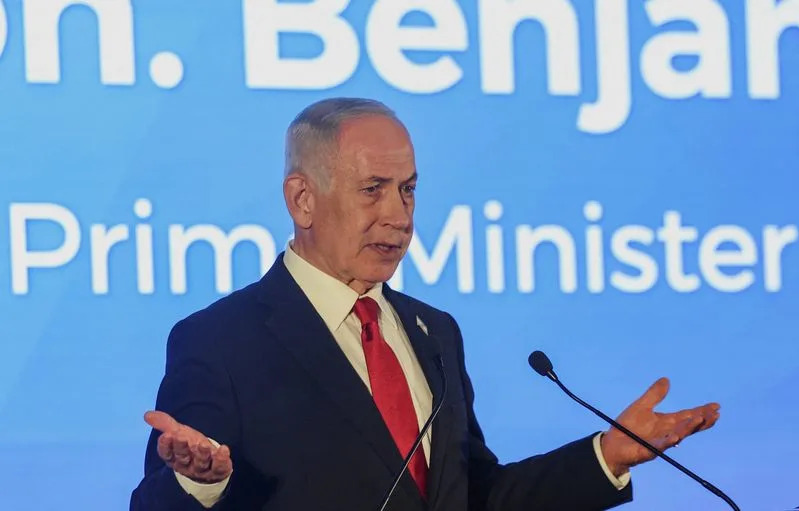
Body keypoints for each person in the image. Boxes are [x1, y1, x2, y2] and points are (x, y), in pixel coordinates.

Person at [130, 98, 721, 510]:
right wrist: (198, 484)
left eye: (408, 189)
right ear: (303, 199)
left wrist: (606, 456)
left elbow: (475, 495)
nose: (399, 215)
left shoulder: (434, 332)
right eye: (373, 190)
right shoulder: (221, 340)